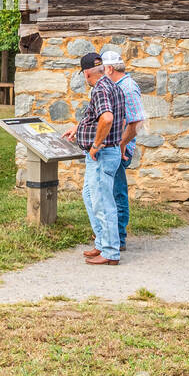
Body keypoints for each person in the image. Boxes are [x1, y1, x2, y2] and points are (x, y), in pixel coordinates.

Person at [62, 52, 126, 265]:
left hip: (102, 153)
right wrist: (79, 128)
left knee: (102, 201)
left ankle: (110, 252)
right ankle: (102, 241)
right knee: (90, 195)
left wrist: (96, 145)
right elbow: (116, 119)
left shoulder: (99, 89)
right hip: (110, 150)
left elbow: (106, 119)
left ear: (87, 72)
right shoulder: (113, 86)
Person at [102, 50, 146, 253]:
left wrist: (121, 144)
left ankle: (118, 237)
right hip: (114, 147)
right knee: (110, 191)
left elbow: (137, 121)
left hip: (120, 149)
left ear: (109, 68)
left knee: (117, 192)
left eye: (103, 68)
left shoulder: (127, 88)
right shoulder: (117, 86)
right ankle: (111, 235)